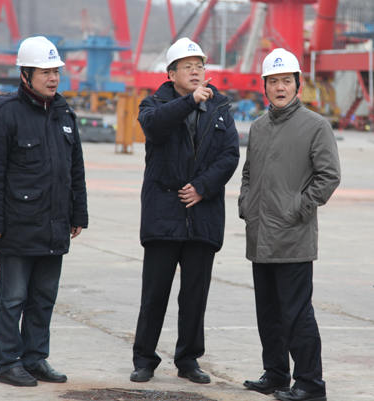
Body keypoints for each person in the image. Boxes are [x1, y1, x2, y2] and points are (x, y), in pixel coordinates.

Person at [0, 36, 88, 387]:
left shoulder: (64, 113)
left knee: (43, 298)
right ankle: (7, 363)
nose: (53, 78)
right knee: (13, 298)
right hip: (17, 224)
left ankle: (35, 358)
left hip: (54, 223)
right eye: (45, 72)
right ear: (25, 75)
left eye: (56, 72)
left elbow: (75, 169)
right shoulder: (6, 114)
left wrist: (78, 214)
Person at [130, 37, 240, 384]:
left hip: (202, 216)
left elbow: (230, 155)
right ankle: (144, 359)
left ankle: (188, 359)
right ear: (171, 74)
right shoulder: (153, 105)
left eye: (200, 66)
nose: (195, 72)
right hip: (164, 216)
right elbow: (155, 127)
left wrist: (203, 187)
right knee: (154, 293)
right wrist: (190, 102)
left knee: (195, 295)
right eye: (187, 67)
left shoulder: (220, 107)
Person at [239, 48, 340, 401]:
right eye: (273, 81)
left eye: (286, 81)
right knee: (268, 313)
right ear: (264, 86)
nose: (280, 87)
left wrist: (298, 208)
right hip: (260, 236)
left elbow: (328, 176)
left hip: (293, 236)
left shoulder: (315, 126)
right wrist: (246, 205)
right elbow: (248, 173)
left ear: (298, 84)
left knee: (297, 314)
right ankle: (276, 374)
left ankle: (310, 383)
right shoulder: (259, 127)